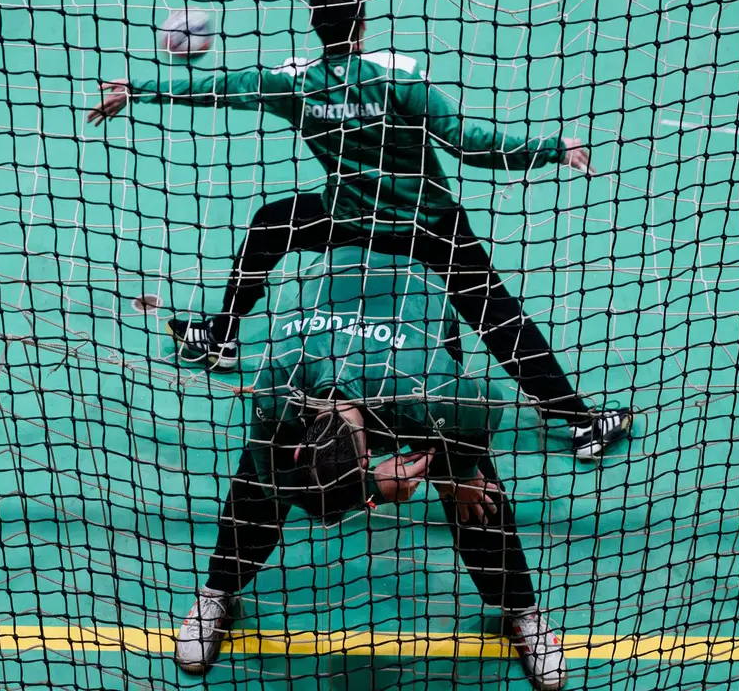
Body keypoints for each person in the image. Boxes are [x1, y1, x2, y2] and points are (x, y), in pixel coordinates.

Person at [87, 0, 634, 461]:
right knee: (497, 318)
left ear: (314, 26)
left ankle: (225, 333)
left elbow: (225, 88)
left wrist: (139, 90)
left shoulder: (296, 83)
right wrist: (550, 148)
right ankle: (581, 423)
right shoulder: (398, 78)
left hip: (349, 217)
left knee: (269, 224)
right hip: (426, 225)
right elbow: (470, 145)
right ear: (362, 24)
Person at [171, 243, 569, 690]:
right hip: (339, 305)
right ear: (302, 445)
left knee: (478, 497)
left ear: (368, 456)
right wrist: (374, 490)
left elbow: (489, 407)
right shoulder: (276, 388)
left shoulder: (428, 390)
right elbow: (272, 485)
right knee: (251, 494)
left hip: (412, 308)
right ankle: (218, 591)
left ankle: (521, 609)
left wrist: (461, 476)